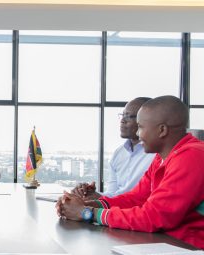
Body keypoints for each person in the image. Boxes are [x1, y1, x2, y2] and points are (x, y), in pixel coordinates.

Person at [56, 95, 204, 249]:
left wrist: (87, 212)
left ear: (162, 130)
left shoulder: (191, 156)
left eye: (140, 127)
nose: (138, 134)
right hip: (166, 243)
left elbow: (152, 217)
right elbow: (136, 198)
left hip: (188, 247)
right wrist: (87, 205)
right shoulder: (163, 157)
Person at [72, 97, 155, 199]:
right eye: (122, 115)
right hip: (118, 209)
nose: (122, 120)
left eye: (128, 116)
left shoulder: (156, 154)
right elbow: (113, 193)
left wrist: (99, 199)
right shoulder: (118, 153)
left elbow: (141, 199)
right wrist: (91, 194)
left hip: (139, 210)